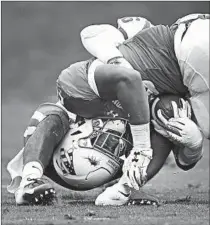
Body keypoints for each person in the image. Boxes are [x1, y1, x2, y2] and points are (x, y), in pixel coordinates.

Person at [6, 15, 206, 206]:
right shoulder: (131, 46)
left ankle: (125, 188)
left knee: (170, 110)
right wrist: (116, 61)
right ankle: (30, 180)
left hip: (117, 155)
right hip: (70, 144)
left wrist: (194, 145)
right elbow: (92, 33)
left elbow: (184, 161)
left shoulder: (186, 89)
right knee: (50, 113)